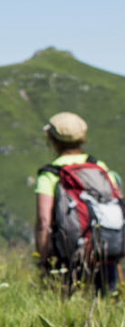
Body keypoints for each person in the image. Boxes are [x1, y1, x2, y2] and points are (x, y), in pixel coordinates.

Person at [34, 112, 123, 295]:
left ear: (51, 138)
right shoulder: (99, 167)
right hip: (105, 251)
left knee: (66, 308)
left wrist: (44, 261)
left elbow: (44, 221)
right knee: (107, 305)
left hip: (68, 256)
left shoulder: (51, 174)